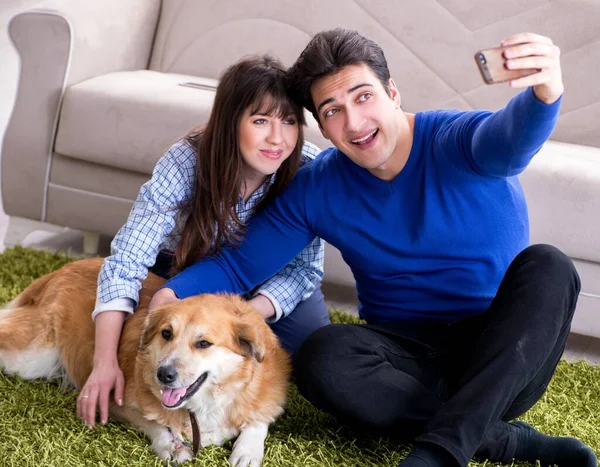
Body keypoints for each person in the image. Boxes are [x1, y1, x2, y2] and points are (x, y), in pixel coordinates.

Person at [149, 29, 597, 467]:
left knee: (550, 266)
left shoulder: (457, 140)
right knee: (321, 357)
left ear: (393, 92)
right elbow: (240, 264)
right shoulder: (319, 185)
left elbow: (510, 142)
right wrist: (168, 297)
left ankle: (439, 453)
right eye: (332, 110)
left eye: (363, 97)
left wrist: (545, 91)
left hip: (503, 356)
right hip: (404, 360)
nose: (354, 123)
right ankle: (500, 439)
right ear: (321, 125)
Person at [77, 55, 330, 429]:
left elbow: (305, 269)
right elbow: (127, 261)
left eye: (289, 122)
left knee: (315, 360)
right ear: (230, 123)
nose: (278, 139)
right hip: (185, 270)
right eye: (260, 120)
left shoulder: (308, 167)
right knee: (146, 331)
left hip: (271, 283)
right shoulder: (185, 162)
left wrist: (239, 321)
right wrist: (103, 364)